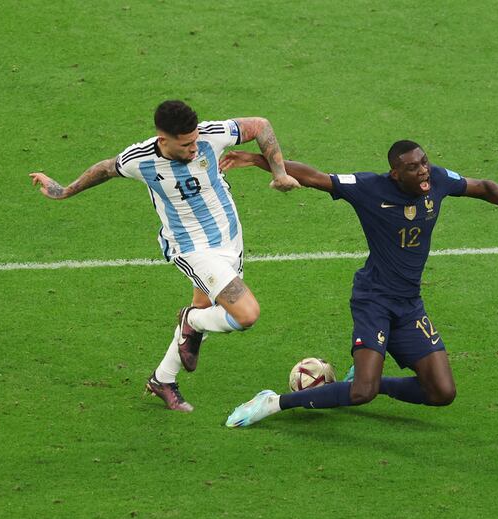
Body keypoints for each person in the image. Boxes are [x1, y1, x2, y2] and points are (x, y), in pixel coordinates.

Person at [219, 140, 498, 427]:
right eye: (413, 168)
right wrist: (261, 161)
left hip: (409, 304)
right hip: (373, 299)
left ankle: (369, 379)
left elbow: (484, 185)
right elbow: (316, 177)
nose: (423, 172)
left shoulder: (439, 180)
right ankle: (272, 402)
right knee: (362, 393)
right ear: (395, 174)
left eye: (425, 163)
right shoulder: (369, 188)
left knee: (442, 392)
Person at [30, 100, 299, 412]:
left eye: (195, 140)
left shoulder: (211, 135)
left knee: (205, 305)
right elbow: (104, 169)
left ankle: (162, 380)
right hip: (193, 249)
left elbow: (261, 124)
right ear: (163, 141)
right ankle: (192, 322)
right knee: (246, 314)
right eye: (186, 144)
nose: (195, 148)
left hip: (230, 240)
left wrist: (279, 173)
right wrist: (63, 191)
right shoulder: (140, 159)